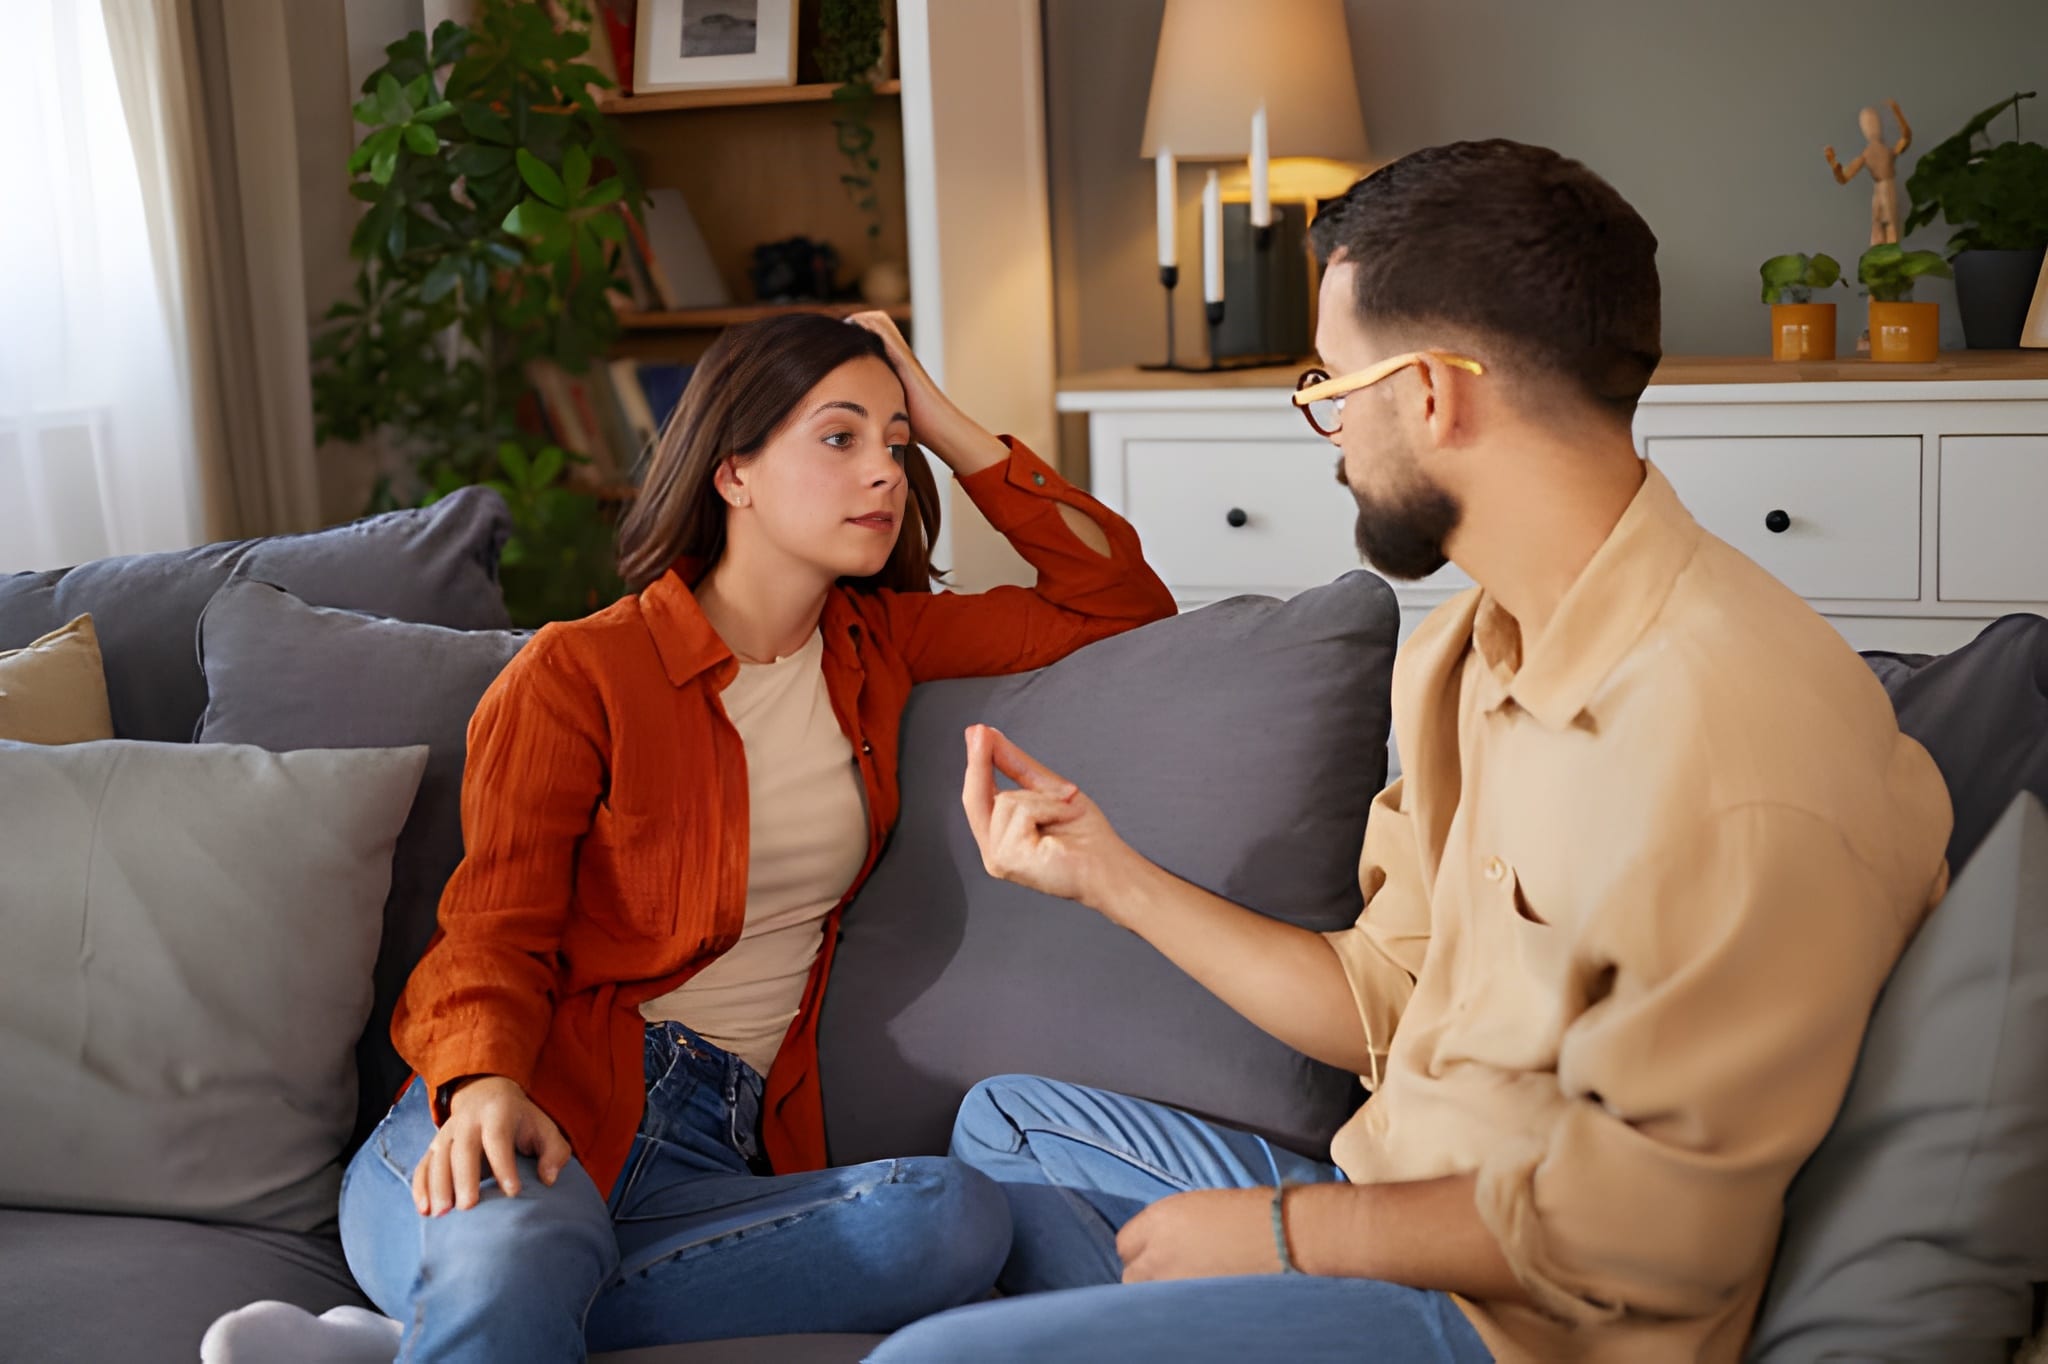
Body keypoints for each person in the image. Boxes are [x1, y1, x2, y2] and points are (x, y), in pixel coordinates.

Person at [870, 141, 1952, 1364]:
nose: (1326, 432)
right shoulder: (1471, 647)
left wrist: (1287, 1234)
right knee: (1009, 1125)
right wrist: (1109, 875)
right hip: (1388, 1207)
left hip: (1510, 1324)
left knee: (929, 1360)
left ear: (1430, 392)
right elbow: (1380, 997)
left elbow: (1650, 1233)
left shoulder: (1724, 742)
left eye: (1332, 384)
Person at [297, 311, 1172, 1363]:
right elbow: (489, 927)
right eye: (839, 437)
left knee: (950, 1213)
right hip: (536, 1096)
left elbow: (1117, 598)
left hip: (705, 1145)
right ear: (733, 473)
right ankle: (473, 1293)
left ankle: (417, 1332)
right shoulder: (580, 672)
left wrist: (940, 416)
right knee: (519, 1250)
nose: (884, 472)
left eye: (894, 445)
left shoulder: (879, 644)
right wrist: (484, 1085)